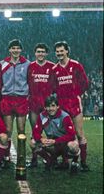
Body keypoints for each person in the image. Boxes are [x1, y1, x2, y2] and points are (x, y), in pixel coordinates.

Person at [51, 41, 89, 171]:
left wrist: (76, 94)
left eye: (62, 51)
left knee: (79, 133)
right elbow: (53, 88)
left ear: (67, 51)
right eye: (57, 51)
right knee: (64, 134)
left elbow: (85, 83)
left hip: (74, 103)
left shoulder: (76, 65)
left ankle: (83, 162)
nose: (59, 53)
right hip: (62, 105)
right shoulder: (54, 69)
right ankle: (65, 161)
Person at [31, 94, 80, 174]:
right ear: (45, 107)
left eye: (53, 106)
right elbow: (35, 132)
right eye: (48, 106)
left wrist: (55, 141)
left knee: (73, 145)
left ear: (58, 106)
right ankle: (49, 160)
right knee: (33, 143)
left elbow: (71, 135)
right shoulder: (42, 116)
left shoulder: (65, 116)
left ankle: (74, 162)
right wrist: (41, 139)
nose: (51, 109)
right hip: (52, 145)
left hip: (64, 144)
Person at [0, 39, 30, 165]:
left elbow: (30, 81)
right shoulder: (3, 63)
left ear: (21, 50)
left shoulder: (27, 64)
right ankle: (6, 156)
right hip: (7, 98)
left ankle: (21, 156)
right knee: (7, 130)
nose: (15, 50)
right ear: (9, 50)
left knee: (21, 129)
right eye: (13, 48)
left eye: (18, 48)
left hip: (21, 99)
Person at [27, 43, 54, 167]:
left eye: (43, 51)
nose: (40, 54)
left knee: (51, 132)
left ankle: (53, 157)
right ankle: (34, 159)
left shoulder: (52, 67)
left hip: (48, 106)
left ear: (46, 53)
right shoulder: (30, 66)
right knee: (35, 132)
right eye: (38, 51)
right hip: (33, 105)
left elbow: (55, 87)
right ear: (35, 53)